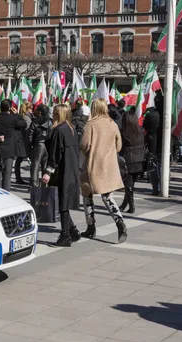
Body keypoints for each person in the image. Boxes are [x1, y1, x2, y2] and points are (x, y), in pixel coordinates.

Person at [79, 98, 128, 244]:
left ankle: (91, 226)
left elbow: (84, 145)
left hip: (93, 164)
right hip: (109, 164)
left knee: (87, 195)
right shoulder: (112, 124)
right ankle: (120, 222)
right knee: (107, 196)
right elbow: (119, 146)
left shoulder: (90, 125)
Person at [42, 104, 81, 246]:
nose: (52, 114)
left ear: (58, 114)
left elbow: (55, 154)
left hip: (62, 170)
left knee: (62, 203)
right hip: (71, 169)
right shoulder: (72, 129)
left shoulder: (59, 130)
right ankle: (73, 231)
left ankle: (65, 236)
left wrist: (48, 171)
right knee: (63, 201)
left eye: (54, 113)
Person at [0, 99, 27, 191]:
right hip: (9, 149)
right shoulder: (13, 118)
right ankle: (6, 193)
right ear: (10, 108)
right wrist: (17, 114)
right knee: (7, 174)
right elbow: (24, 124)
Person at [119, 110, 145, 213]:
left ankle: (131, 206)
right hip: (139, 161)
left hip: (128, 162)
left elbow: (120, 147)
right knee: (131, 185)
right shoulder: (141, 131)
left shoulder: (124, 133)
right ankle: (124, 205)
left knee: (128, 186)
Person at [27, 104, 52, 187]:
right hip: (48, 145)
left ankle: (34, 186)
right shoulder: (51, 122)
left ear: (40, 112)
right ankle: (45, 186)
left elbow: (29, 137)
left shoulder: (35, 123)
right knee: (45, 167)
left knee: (35, 166)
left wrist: (31, 146)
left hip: (38, 145)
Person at [14, 101, 32, 185]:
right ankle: (28, 179)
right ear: (28, 109)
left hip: (20, 141)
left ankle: (18, 177)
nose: (32, 110)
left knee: (19, 160)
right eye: (31, 109)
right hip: (25, 142)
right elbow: (28, 131)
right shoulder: (27, 118)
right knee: (31, 160)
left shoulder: (21, 117)